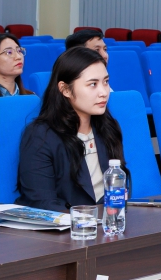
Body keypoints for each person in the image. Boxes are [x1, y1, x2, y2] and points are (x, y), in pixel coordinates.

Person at [17, 47, 125, 212]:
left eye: (106, 82)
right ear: (65, 89)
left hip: (108, 221)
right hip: (67, 224)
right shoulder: (40, 136)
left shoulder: (108, 127)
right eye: (93, 84)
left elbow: (118, 187)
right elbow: (41, 203)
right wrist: (88, 218)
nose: (104, 92)